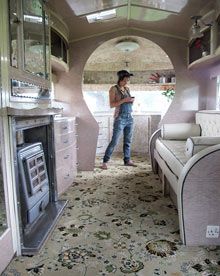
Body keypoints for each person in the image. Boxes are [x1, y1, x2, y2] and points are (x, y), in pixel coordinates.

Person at [101, 70, 136, 169]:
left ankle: (127, 160)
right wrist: (125, 100)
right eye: (125, 80)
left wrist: (131, 101)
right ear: (120, 79)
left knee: (128, 141)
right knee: (115, 141)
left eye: (128, 80)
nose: (126, 82)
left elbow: (127, 102)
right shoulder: (113, 89)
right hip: (120, 118)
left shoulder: (127, 89)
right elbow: (112, 105)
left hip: (129, 117)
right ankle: (105, 161)